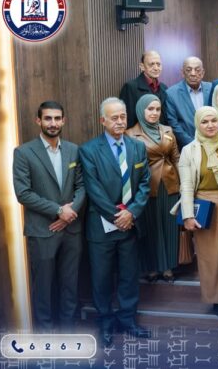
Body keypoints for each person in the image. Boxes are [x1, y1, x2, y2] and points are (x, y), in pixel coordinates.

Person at [79, 97, 150, 346]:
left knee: (129, 276)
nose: (120, 122)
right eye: (114, 118)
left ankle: (128, 320)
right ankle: (106, 323)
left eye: (123, 117)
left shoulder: (137, 147)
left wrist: (131, 213)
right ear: (103, 121)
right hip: (102, 227)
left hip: (130, 224)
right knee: (101, 278)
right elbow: (93, 189)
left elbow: (145, 183)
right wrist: (117, 216)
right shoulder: (88, 150)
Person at [13, 101, 85, 331]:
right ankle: (44, 335)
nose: (52, 123)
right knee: (43, 288)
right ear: (39, 121)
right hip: (42, 230)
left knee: (70, 285)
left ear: (63, 120)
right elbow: (23, 193)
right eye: (47, 118)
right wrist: (58, 210)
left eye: (57, 118)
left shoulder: (74, 150)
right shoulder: (23, 152)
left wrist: (68, 213)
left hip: (71, 229)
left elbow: (82, 186)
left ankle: (68, 331)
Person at [178, 106, 218, 317]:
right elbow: (186, 185)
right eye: (205, 122)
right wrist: (188, 215)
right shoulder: (189, 150)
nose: (210, 125)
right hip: (206, 208)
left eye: (214, 121)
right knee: (211, 256)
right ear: (198, 124)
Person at [126, 94, 181, 283]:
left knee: (169, 227)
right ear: (141, 110)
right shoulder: (130, 133)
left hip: (170, 183)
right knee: (151, 227)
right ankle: (152, 268)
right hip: (147, 186)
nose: (154, 113)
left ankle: (168, 267)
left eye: (158, 109)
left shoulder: (167, 129)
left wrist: (183, 183)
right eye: (150, 109)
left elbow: (176, 158)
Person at [165, 56, 211, 149]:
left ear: (202, 73)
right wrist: (192, 144)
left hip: (211, 144)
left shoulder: (211, 88)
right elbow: (173, 124)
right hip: (186, 147)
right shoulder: (171, 93)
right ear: (183, 73)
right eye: (189, 70)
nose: (193, 74)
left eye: (197, 70)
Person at [120, 50, 169, 127]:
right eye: (151, 64)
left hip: (161, 132)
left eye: (158, 64)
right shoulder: (130, 87)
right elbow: (128, 119)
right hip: (139, 133)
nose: (156, 68)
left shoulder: (164, 88)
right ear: (142, 66)